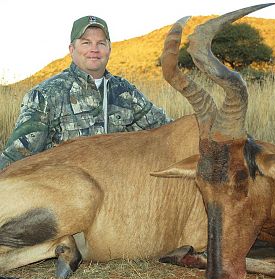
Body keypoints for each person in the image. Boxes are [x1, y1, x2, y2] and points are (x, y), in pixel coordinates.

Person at [0, 16, 171, 170]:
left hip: (118, 194)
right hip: (64, 196)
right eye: (86, 43)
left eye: (101, 43)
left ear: (109, 49)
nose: (94, 49)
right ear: (71, 49)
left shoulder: (126, 93)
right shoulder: (44, 95)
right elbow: (17, 156)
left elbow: (168, 131)